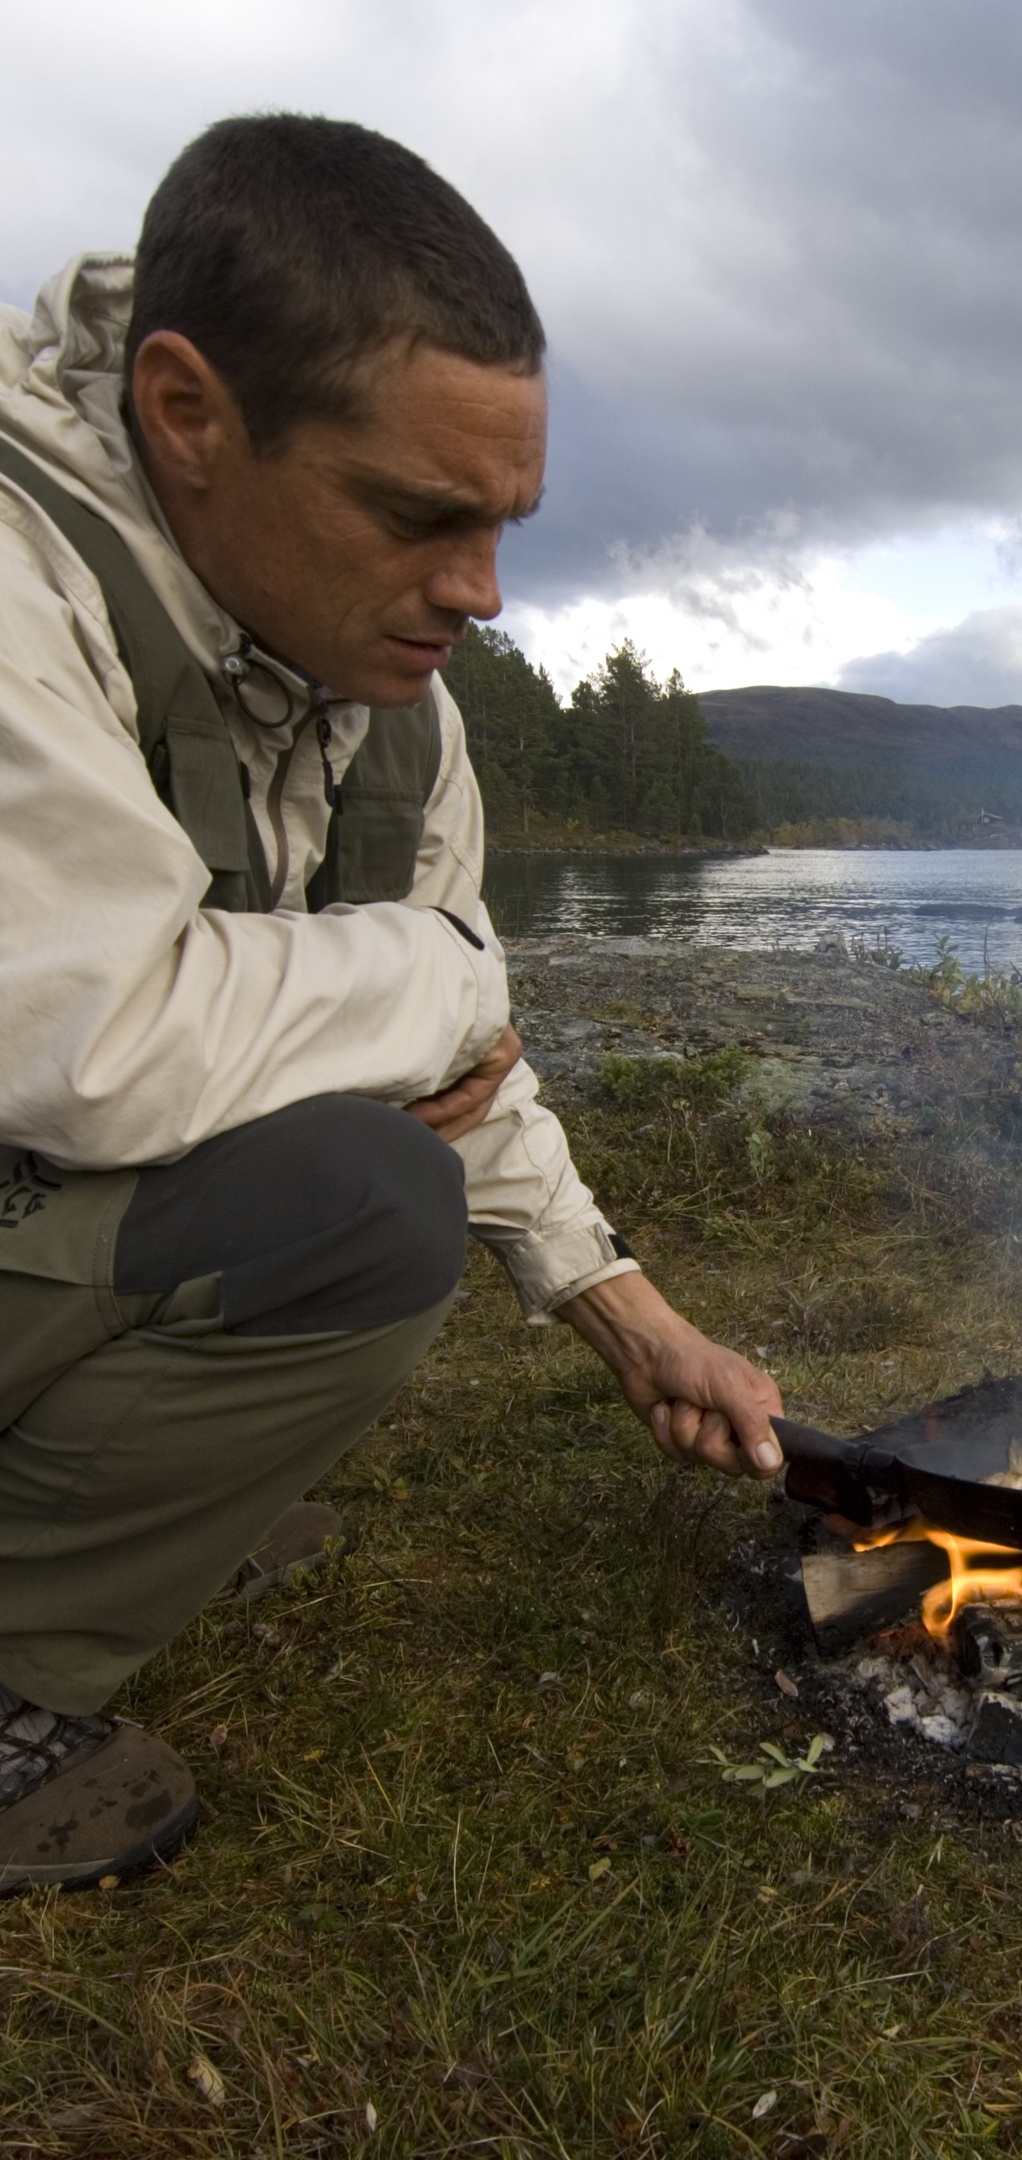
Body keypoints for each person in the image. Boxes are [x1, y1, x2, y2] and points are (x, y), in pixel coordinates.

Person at [0, 116, 789, 1892]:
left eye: (503, 526)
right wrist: (427, 981)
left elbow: (458, 1055)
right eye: (419, 516)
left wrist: (625, 1313)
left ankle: (132, 1490)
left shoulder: (386, 701)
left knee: (371, 1169)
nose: (479, 594)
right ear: (189, 413)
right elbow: (95, 1041)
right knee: (356, 1188)